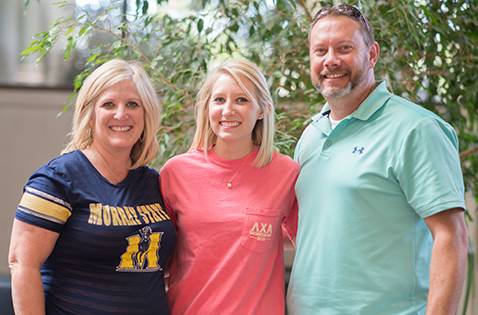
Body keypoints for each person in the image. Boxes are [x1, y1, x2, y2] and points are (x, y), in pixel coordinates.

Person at [286, 4, 468, 315]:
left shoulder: (416, 129)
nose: (330, 60)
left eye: (344, 48)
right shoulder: (311, 135)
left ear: (371, 54)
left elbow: (451, 237)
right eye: (320, 51)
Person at [8, 59, 176, 315]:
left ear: (147, 114)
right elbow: (22, 264)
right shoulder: (57, 180)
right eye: (109, 104)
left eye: (133, 104)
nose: (121, 114)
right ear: (90, 113)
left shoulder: (154, 183)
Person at [160, 58, 299, 314]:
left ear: (262, 109)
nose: (228, 110)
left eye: (242, 100)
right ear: (207, 108)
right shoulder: (175, 173)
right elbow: (158, 259)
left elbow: (312, 243)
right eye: (219, 100)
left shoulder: (286, 173)